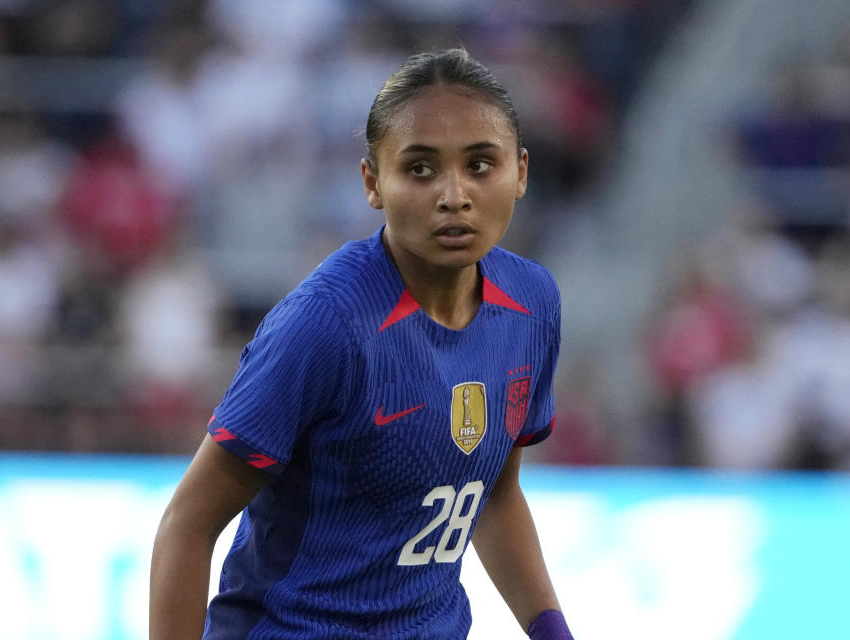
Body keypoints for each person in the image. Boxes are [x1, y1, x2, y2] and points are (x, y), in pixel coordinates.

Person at [150, 47, 574, 640]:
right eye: (420, 169)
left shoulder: (533, 303)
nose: (454, 195)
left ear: (520, 172)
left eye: (481, 164)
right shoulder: (325, 325)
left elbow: (492, 493)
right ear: (373, 181)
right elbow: (187, 524)